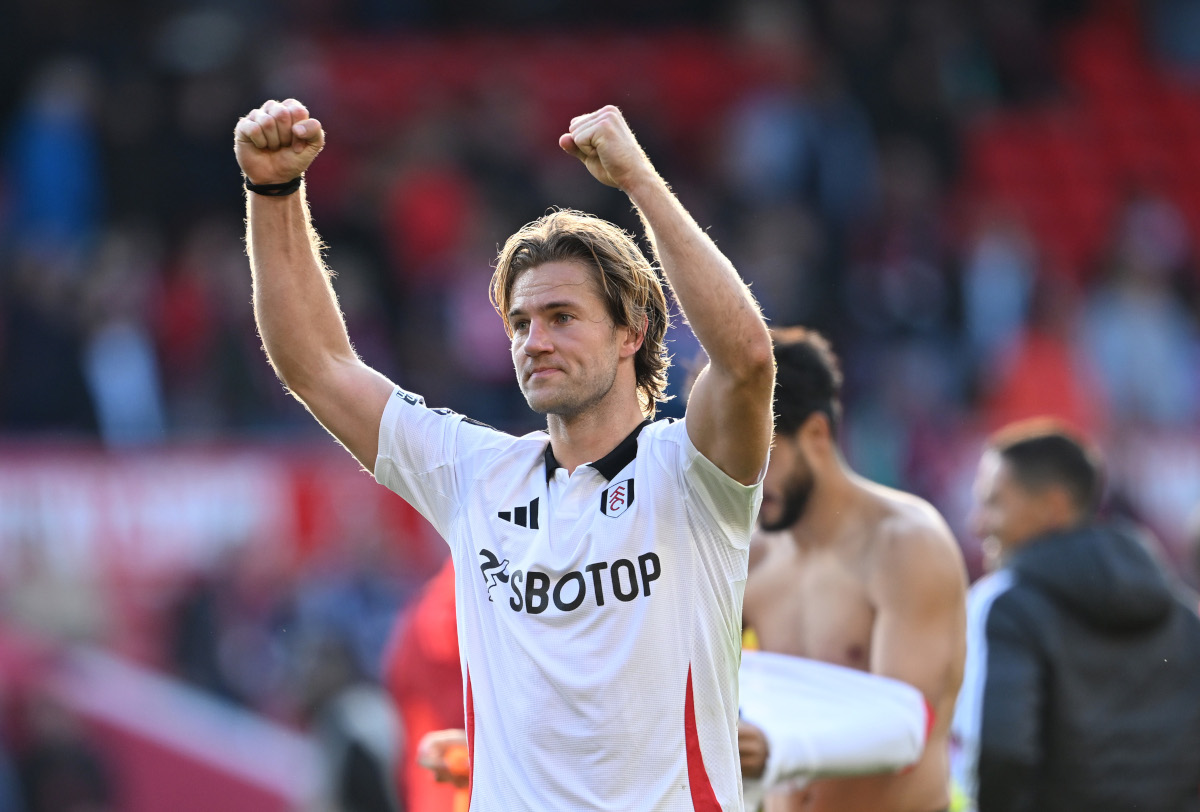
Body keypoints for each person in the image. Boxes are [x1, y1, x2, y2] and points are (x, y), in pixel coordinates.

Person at [234, 99, 774, 811]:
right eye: (519, 323)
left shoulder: (693, 473)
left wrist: (639, 180)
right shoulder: (477, 475)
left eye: (561, 318)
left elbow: (746, 361)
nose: (533, 342)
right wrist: (273, 193)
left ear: (631, 332)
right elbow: (318, 367)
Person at [739, 327, 966, 812]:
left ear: (817, 434)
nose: (746, 481)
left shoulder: (906, 545)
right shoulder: (748, 555)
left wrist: (778, 748)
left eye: (763, 456)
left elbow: (902, 730)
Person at [952, 419, 1200, 812]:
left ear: (1053, 505)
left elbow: (1003, 752)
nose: (977, 522)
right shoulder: (1181, 611)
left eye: (994, 502)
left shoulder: (1010, 608)